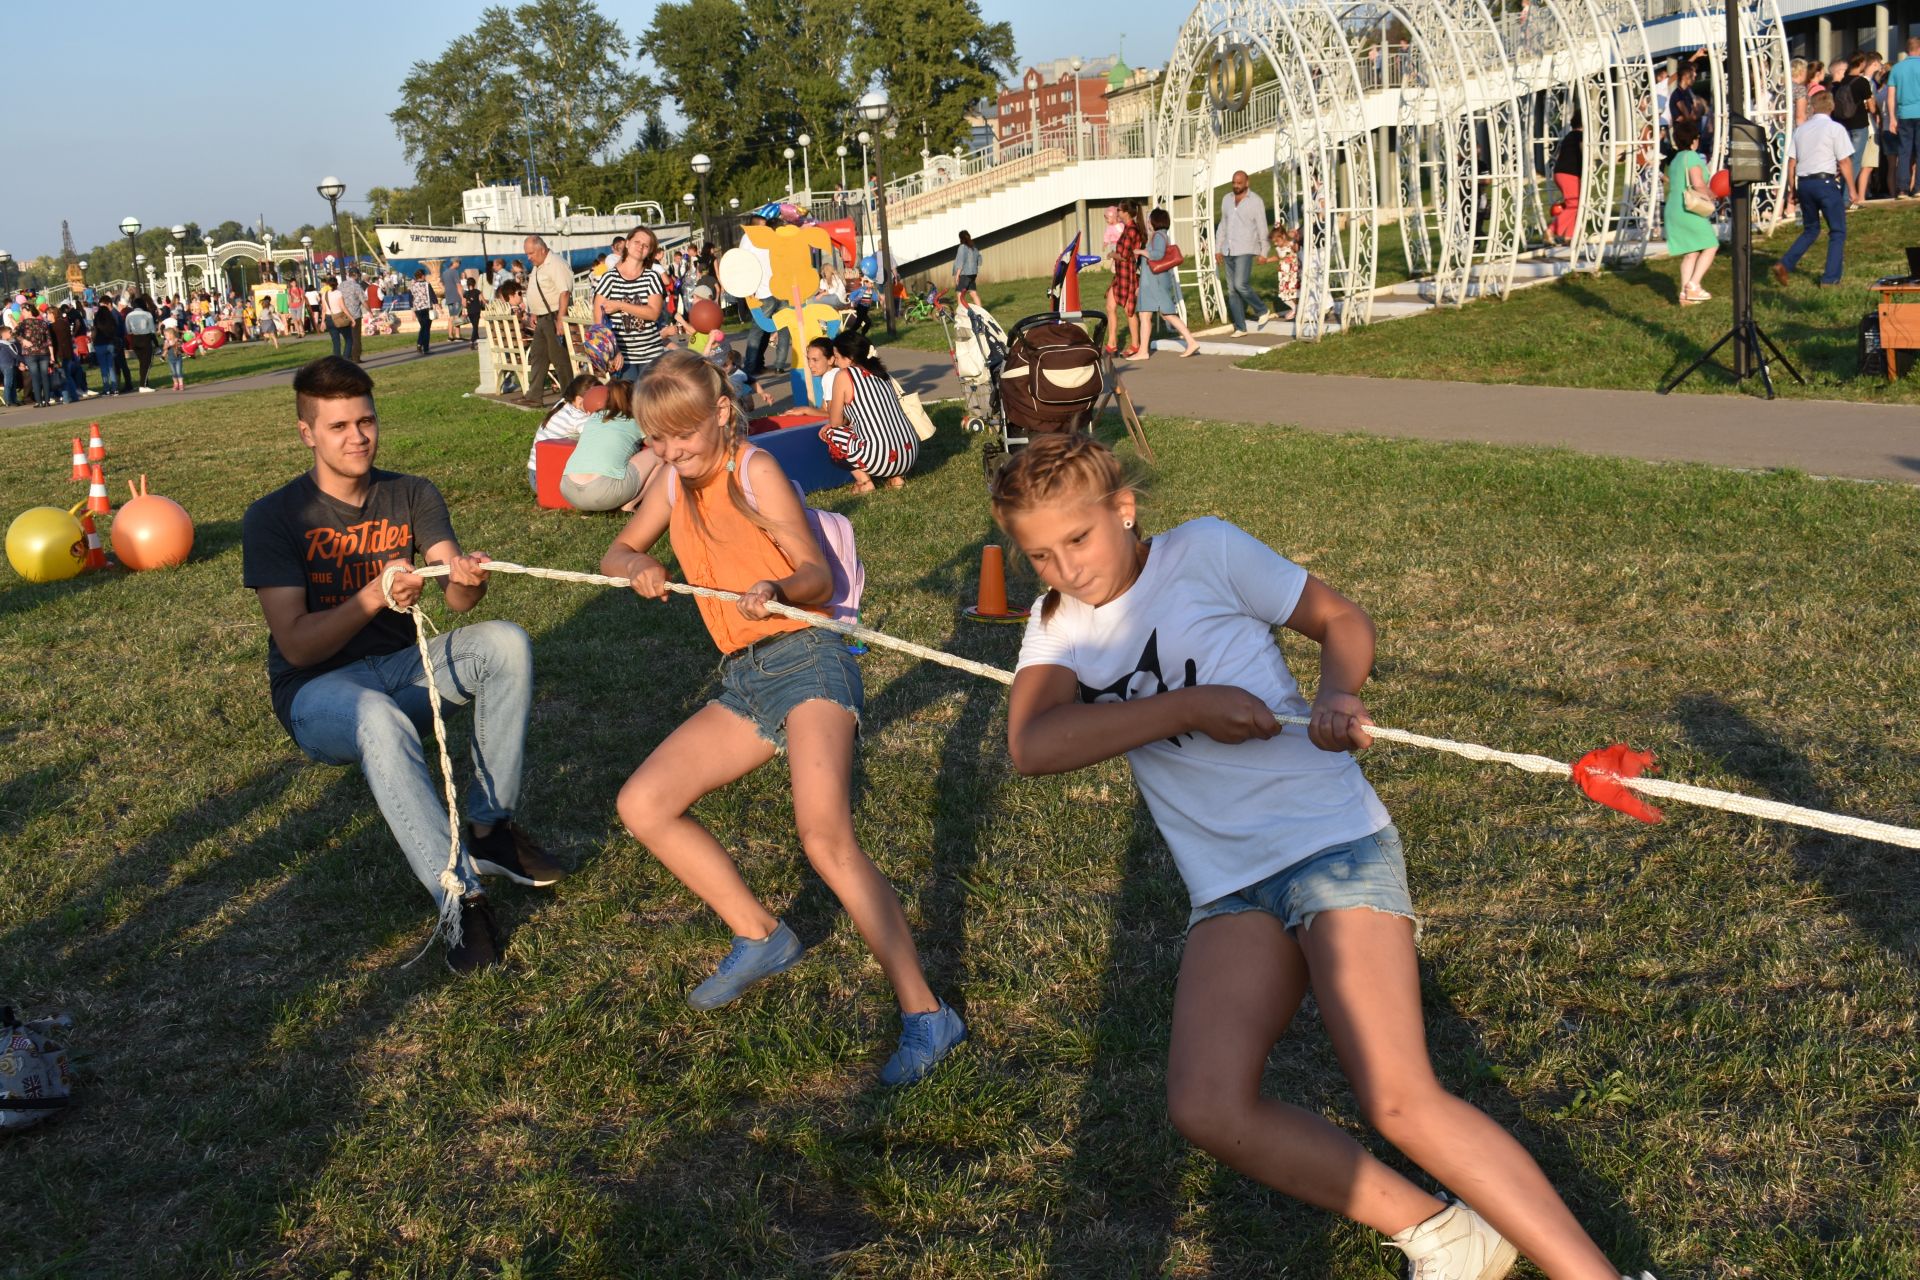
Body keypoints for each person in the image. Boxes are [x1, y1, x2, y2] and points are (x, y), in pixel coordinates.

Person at [992, 432, 1660, 1280]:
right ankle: (1447, 1237)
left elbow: (1341, 620)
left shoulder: (1206, 551)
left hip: (1327, 844)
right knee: (1207, 1105)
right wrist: (1188, 706)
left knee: (1399, 1100)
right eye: (1040, 555)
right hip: (1230, 888)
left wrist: (1337, 693)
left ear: (1124, 510)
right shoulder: (1055, 626)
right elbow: (1033, 744)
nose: (1067, 569)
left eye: (1079, 540)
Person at [599, 351, 964, 1086]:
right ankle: (758, 933)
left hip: (809, 657)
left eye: (684, 435)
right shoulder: (673, 481)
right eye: (657, 439)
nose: (671, 452)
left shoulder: (751, 470)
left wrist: (778, 583)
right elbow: (618, 547)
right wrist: (632, 568)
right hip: (747, 678)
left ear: (722, 415)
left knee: (825, 839)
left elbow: (816, 575)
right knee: (643, 803)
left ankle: (929, 1014)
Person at [241, 356, 561, 974]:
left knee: (505, 643)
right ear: (307, 433)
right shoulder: (273, 517)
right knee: (377, 715)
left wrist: (468, 577)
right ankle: (459, 898)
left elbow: (456, 594)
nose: (357, 437)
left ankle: (491, 829)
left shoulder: (410, 493)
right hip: (319, 693)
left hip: (405, 665)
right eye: (337, 427)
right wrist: (373, 595)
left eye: (366, 421)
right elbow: (299, 646)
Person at [1772, 90, 1854, 288]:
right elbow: (1844, 161)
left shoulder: (1801, 130)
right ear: (1832, 107)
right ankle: (1830, 278)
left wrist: (1793, 190)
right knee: (1837, 230)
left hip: (1805, 183)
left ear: (1812, 107)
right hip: (1825, 182)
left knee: (1811, 229)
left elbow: (1791, 162)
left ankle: (1785, 263)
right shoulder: (1836, 129)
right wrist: (1852, 188)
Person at [821, 332, 918, 493]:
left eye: (837, 357)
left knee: (831, 433)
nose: (835, 362)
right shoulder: (880, 372)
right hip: (909, 453)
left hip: (880, 458)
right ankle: (896, 477)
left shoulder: (844, 375)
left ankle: (864, 482)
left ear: (850, 357)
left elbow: (836, 422)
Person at [559, 377, 662, 511]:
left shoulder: (594, 417)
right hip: (602, 492)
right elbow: (655, 443)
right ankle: (630, 505)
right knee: (659, 455)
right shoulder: (634, 421)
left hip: (568, 489)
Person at [593, 226, 667, 383]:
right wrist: (612, 352)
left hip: (651, 354)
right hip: (622, 357)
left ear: (650, 251)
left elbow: (653, 313)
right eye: (637, 242)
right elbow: (599, 320)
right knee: (628, 403)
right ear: (627, 243)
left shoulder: (652, 277)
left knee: (651, 404)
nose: (640, 247)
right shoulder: (609, 278)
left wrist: (620, 305)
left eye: (646, 245)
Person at [1663, 118, 1719, 305]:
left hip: (1673, 208)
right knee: (1711, 245)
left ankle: (1684, 294)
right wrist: (1713, 195)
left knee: (1691, 252)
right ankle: (1694, 285)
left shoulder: (1676, 159)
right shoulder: (1692, 157)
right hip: (1688, 208)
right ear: (1694, 139)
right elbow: (1698, 184)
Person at [1135, 207, 1201, 359]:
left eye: (1149, 218)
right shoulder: (1160, 235)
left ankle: (1190, 342)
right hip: (1152, 282)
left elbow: (1157, 255)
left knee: (1167, 314)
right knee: (1146, 314)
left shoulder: (1158, 235)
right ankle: (1143, 351)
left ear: (1155, 221)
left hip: (1155, 282)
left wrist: (1140, 252)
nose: (1147, 221)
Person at [1214, 170, 1272, 333]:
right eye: (1234, 182)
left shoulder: (1256, 201)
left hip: (1245, 248)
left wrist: (1264, 252)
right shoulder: (1226, 199)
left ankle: (1262, 310)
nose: (1236, 186)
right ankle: (1240, 327)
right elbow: (1222, 226)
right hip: (1228, 250)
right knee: (1232, 290)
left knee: (1240, 284)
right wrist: (1218, 248)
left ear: (1247, 183)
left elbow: (1262, 227)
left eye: (1239, 183)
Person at [519, 235, 574, 406]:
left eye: (531, 253)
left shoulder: (556, 264)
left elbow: (564, 292)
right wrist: (534, 312)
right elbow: (540, 289)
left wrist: (560, 319)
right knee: (538, 355)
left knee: (559, 358)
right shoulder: (539, 265)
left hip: (554, 315)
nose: (528, 257)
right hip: (542, 317)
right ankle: (534, 395)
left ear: (541, 250)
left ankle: (569, 397)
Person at [527, 373, 600, 492]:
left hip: (536, 473)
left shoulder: (564, 403)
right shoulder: (578, 418)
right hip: (546, 479)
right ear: (579, 401)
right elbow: (596, 438)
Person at [1837, 52, 1880, 206]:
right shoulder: (1862, 82)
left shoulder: (1843, 81)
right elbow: (1872, 108)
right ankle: (1845, 199)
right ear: (1861, 63)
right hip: (1860, 125)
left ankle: (1842, 196)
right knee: (1855, 162)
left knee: (1846, 161)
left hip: (1845, 124)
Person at [1106, 200, 1148, 358]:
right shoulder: (1126, 229)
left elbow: (1124, 256)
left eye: (1119, 209)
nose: (1117, 212)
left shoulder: (1132, 230)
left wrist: (1111, 254)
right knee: (1110, 306)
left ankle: (1136, 345)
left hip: (1128, 275)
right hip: (1120, 275)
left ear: (1126, 212)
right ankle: (1112, 344)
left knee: (1129, 311)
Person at [1887, 37, 1920, 199]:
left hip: (1904, 114)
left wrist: (1892, 118)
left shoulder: (1896, 69)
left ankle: (1902, 189)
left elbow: (1890, 96)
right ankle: (1918, 188)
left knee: (1904, 152)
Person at [1550, 115, 1584, 245]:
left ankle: (1569, 236)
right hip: (1569, 173)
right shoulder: (1579, 136)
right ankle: (1551, 230)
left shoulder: (1568, 137)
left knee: (1574, 204)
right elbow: (1583, 152)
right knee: (1574, 204)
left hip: (1560, 173)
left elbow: (1558, 155)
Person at [18, 305, 52, 407]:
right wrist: (52, 355)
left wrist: (23, 340)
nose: (22, 314)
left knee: (35, 377)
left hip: (30, 354)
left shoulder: (23, 324)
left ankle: (39, 401)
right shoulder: (43, 322)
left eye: (23, 311)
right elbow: (49, 340)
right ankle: (47, 400)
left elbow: (14, 334)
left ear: (29, 312)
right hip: (44, 352)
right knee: (44, 376)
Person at [124, 294, 159, 390]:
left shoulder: (129, 315)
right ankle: (142, 385)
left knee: (142, 363)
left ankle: (144, 383)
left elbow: (127, 330)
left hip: (135, 339)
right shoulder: (147, 314)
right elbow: (152, 330)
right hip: (145, 338)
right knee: (147, 363)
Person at [91, 298, 122, 397]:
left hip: (100, 344)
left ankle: (106, 388)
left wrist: (93, 340)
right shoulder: (111, 319)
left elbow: (94, 331)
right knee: (111, 367)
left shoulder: (97, 319)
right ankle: (115, 388)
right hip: (110, 343)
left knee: (104, 368)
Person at [340, 267, 367, 363]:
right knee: (356, 337)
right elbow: (363, 301)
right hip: (355, 314)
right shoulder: (357, 286)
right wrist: (370, 311)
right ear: (355, 275)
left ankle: (348, 356)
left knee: (347, 337)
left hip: (343, 314)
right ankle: (356, 357)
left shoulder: (341, 285)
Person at [954, 231, 983, 308]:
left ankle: (961, 313)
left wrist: (957, 275)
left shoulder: (962, 247)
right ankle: (981, 312)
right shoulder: (974, 248)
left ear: (960, 238)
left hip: (964, 274)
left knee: (959, 294)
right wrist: (974, 267)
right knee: (973, 294)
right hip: (973, 274)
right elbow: (980, 260)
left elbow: (960, 261)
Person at [409, 269, 435, 357]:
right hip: (427, 308)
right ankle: (425, 348)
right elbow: (432, 295)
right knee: (426, 328)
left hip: (417, 309)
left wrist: (412, 311)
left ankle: (420, 344)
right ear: (423, 276)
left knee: (423, 327)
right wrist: (437, 306)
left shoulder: (412, 286)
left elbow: (410, 299)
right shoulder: (427, 285)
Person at [162, 316, 186, 392]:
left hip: (178, 358)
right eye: (165, 335)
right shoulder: (166, 341)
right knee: (174, 373)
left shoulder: (177, 340)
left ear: (171, 334)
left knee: (179, 372)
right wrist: (167, 346)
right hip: (170, 359)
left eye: (166, 335)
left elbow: (181, 347)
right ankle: (175, 384)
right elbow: (164, 349)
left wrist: (178, 344)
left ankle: (181, 384)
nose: (165, 337)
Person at [463, 274, 485, 347]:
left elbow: (464, 304)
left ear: (467, 284)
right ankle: (472, 340)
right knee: (475, 326)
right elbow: (482, 300)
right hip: (477, 311)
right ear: (474, 283)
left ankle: (477, 340)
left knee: (474, 325)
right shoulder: (477, 292)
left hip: (470, 312)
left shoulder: (465, 293)